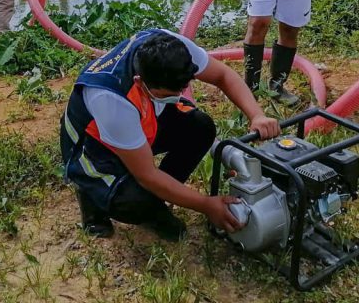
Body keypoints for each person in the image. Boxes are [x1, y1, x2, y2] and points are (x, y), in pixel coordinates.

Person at [61, 28, 281, 240]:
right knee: (135, 202)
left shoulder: (171, 48)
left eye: (182, 89)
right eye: (168, 94)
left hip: (140, 120)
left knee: (200, 128)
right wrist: (206, 205)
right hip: (95, 144)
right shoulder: (112, 101)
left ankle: (156, 200)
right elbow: (146, 175)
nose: (177, 97)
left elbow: (223, 75)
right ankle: (94, 196)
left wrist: (257, 116)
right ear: (140, 82)